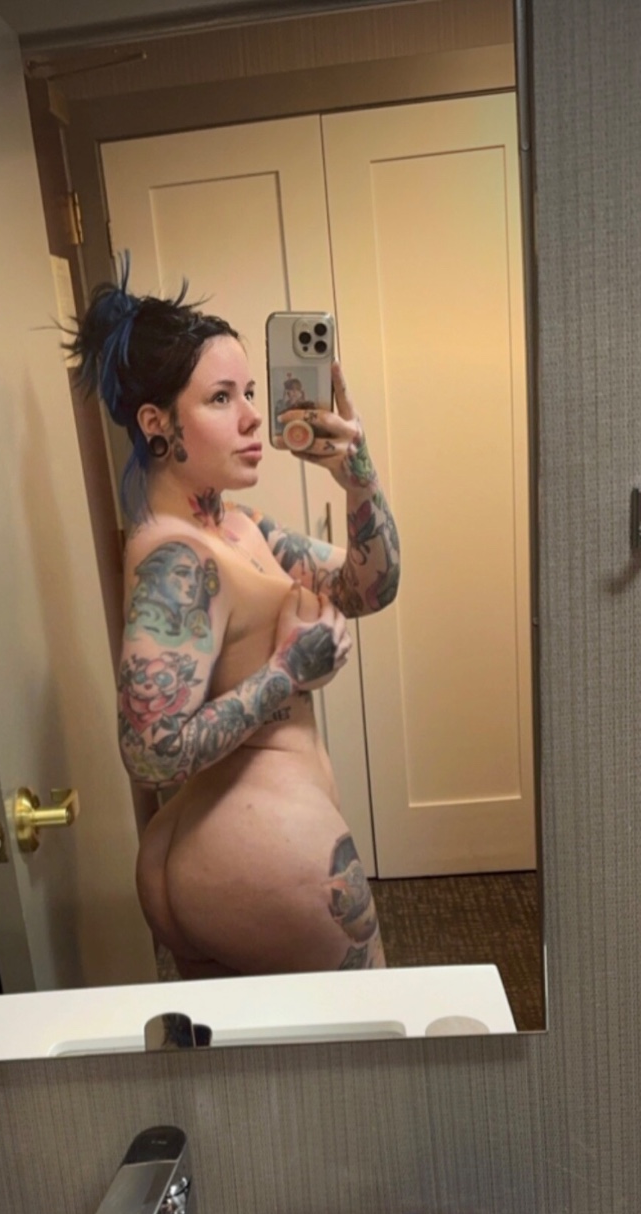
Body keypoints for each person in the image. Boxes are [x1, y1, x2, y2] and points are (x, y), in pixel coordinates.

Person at [69, 264, 401, 978]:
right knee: (368, 1041)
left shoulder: (238, 528)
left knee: (240, 1054)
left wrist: (357, 477)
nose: (252, 416)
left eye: (249, 392)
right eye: (221, 398)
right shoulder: (177, 560)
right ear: (157, 425)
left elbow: (368, 586)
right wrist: (288, 673)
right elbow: (149, 754)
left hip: (213, 848)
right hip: (264, 853)